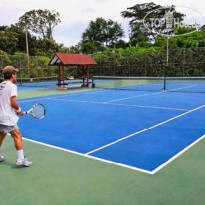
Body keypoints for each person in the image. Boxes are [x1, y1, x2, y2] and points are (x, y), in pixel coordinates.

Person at [0, 65, 32, 167]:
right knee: (17, 136)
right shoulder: (12, 86)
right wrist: (19, 110)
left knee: (1, 135)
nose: (16, 76)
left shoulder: (1, 85)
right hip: (7, 117)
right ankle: (21, 159)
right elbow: (13, 102)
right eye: (15, 74)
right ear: (12, 75)